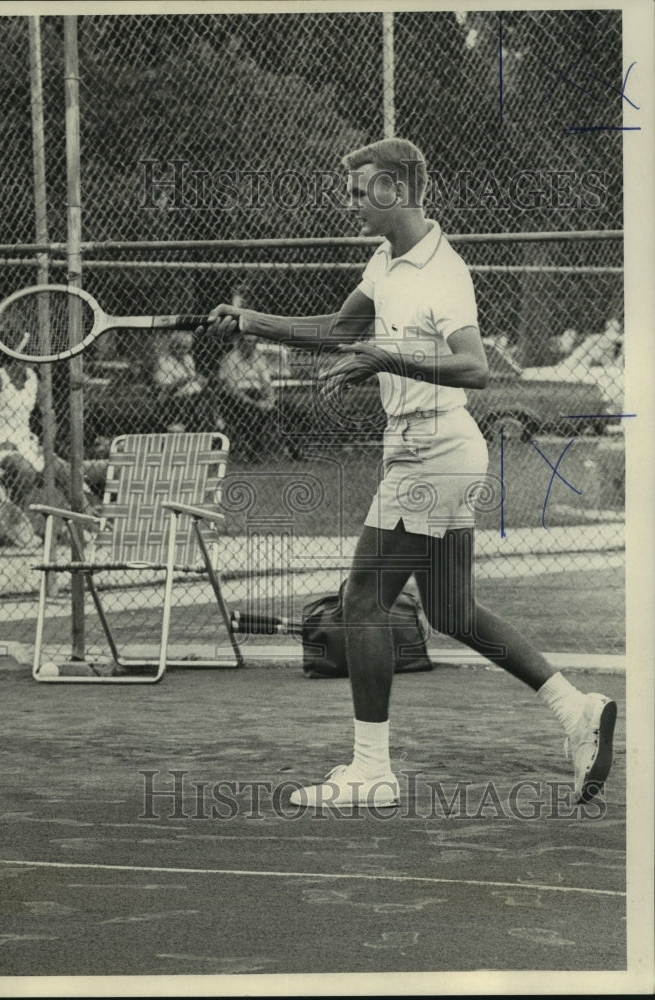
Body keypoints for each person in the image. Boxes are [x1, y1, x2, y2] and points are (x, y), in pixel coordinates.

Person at [206, 137, 616, 809]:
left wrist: (384, 361)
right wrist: (251, 321)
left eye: (358, 189)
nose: (348, 203)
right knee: (451, 610)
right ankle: (576, 711)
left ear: (394, 189)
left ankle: (371, 770)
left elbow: (475, 368)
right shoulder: (384, 260)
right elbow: (342, 330)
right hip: (440, 450)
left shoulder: (441, 273)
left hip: (431, 450)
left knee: (361, 602)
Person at [0, 358, 77, 507]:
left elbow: (48, 413)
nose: (34, 361)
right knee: (26, 471)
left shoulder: (32, 378)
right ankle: (17, 520)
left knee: (63, 469)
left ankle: (86, 520)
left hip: (25, 444)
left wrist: (47, 444)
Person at [217, 333, 279, 459]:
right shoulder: (230, 359)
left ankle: (294, 450)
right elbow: (231, 388)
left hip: (257, 393)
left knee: (285, 408)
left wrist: (270, 400)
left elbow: (266, 383)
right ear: (240, 342)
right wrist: (254, 403)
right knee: (251, 412)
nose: (249, 345)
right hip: (236, 397)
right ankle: (253, 452)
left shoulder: (259, 358)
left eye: (252, 342)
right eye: (246, 341)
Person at [152, 331, 210, 432]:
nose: (182, 351)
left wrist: (200, 379)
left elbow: (194, 377)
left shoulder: (188, 358)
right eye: (179, 347)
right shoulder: (163, 361)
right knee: (194, 400)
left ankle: (210, 423)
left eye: (185, 347)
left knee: (208, 392)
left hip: (192, 393)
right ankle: (198, 425)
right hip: (173, 397)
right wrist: (183, 380)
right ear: (172, 346)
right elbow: (165, 388)